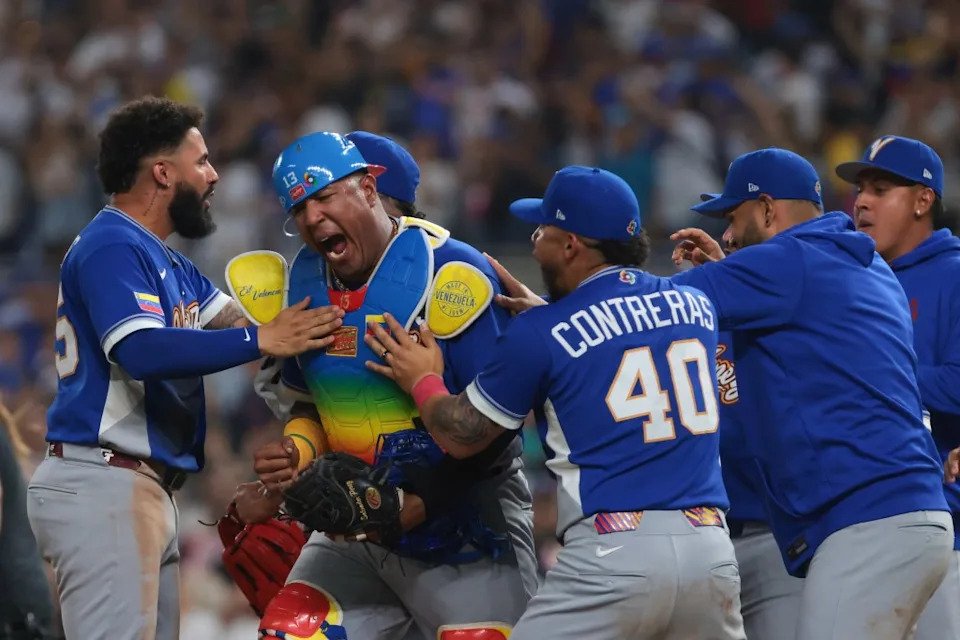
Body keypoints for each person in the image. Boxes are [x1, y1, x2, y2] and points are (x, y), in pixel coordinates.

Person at [367, 165, 746, 640]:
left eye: (543, 228)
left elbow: (461, 435)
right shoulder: (694, 302)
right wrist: (553, 316)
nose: (534, 239)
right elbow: (624, 331)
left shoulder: (541, 333)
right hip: (710, 553)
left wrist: (424, 379)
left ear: (571, 245)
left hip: (614, 556)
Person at [25, 96, 342, 640]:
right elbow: (142, 350)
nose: (214, 174)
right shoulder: (111, 243)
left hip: (135, 486)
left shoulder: (167, 260)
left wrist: (333, 322)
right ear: (163, 172)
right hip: (104, 478)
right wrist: (263, 336)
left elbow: (245, 323)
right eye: (202, 161)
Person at [251, 131, 537, 640]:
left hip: (466, 522)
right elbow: (311, 406)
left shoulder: (451, 273)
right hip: (360, 520)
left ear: (367, 188)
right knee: (288, 634)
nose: (312, 217)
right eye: (298, 208)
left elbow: (496, 427)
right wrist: (297, 449)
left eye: (322, 196)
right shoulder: (304, 284)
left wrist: (417, 502)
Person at [670, 147, 952, 640]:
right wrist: (731, 274)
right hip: (913, 513)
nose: (728, 235)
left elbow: (654, 308)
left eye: (733, 217)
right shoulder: (862, 262)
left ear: (767, 210)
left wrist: (550, 317)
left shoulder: (790, 259)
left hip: (869, 521)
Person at [836, 135, 960, 639]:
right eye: (860, 189)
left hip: (948, 528)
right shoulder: (855, 279)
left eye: (881, 188)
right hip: (867, 522)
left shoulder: (953, 274)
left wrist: (876, 377)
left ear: (922, 200)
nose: (861, 201)